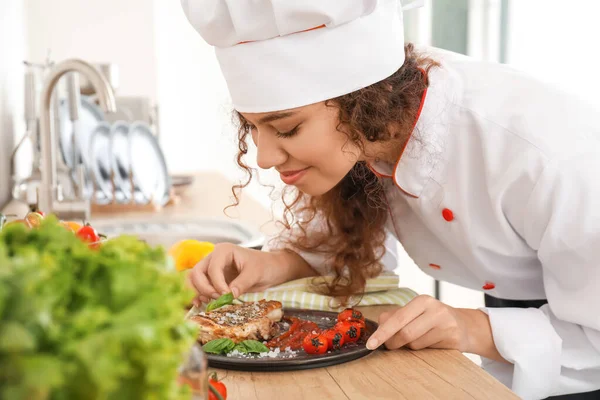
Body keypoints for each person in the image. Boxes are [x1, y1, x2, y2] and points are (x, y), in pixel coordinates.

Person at [180, 1, 600, 399]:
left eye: (286, 129)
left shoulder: (546, 157)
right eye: (252, 129)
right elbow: (347, 239)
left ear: (362, 105)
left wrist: (471, 327)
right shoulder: (374, 130)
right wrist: (272, 264)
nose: (265, 157)